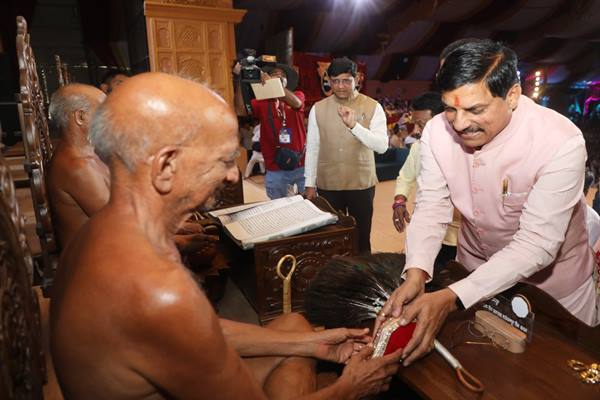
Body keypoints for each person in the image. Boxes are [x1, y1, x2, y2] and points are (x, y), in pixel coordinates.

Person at [50, 73, 402, 399]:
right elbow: (181, 316)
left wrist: (313, 344)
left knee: (297, 325)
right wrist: (349, 387)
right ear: (166, 167)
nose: (233, 176)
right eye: (222, 160)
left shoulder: (105, 226)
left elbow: (201, 330)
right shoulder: (159, 289)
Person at [377, 39, 599, 368]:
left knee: (557, 376)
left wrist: (454, 296)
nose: (459, 123)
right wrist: (417, 271)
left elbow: (538, 243)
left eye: (475, 110)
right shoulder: (437, 132)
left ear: (512, 96)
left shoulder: (559, 141)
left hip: (555, 291)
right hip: (473, 275)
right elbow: (432, 206)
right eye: (450, 108)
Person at [304, 57, 388, 253]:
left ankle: (363, 270)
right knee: (332, 239)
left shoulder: (373, 106)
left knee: (362, 237)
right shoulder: (318, 108)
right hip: (328, 183)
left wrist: (354, 126)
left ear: (357, 79)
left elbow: (382, 146)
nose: (340, 86)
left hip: (361, 183)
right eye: (335, 81)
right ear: (328, 80)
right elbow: (313, 147)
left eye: (346, 81)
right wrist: (309, 184)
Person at [392, 92, 459, 270]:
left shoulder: (463, 148)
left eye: (422, 124)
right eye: (416, 124)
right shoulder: (418, 147)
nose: (417, 130)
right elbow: (405, 177)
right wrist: (399, 201)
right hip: (427, 229)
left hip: (458, 235)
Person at [47, 84, 109, 247]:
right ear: (81, 117)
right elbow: (122, 223)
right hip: (94, 257)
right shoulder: (77, 166)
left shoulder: (89, 154)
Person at [234, 62, 306, 199]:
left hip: (301, 164)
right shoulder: (262, 102)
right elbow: (240, 110)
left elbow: (297, 103)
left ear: (287, 81)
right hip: (275, 167)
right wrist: (239, 79)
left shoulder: (297, 95)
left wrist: (273, 84)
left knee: (308, 205)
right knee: (278, 207)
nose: (278, 77)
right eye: (274, 75)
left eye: (282, 76)